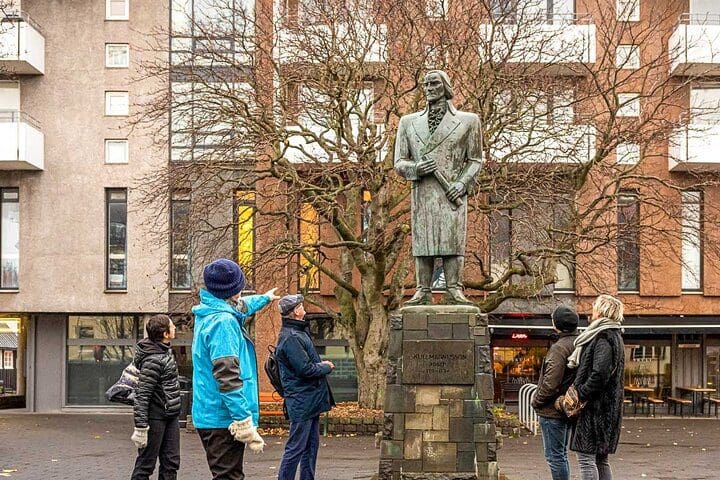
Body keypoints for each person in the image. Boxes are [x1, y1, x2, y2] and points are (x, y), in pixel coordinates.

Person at [394, 69, 484, 305]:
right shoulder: (408, 123)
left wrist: (462, 184)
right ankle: (422, 289)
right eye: (425, 84)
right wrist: (417, 169)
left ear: (445, 86)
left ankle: (453, 288)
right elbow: (399, 162)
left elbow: (475, 159)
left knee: (452, 240)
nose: (429, 88)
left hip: (451, 194)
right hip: (423, 193)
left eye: (434, 83)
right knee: (424, 241)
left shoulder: (469, 121)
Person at [192, 258, 281, 480]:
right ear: (233, 291)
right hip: (224, 418)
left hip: (212, 414)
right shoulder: (224, 322)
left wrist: (265, 298)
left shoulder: (209, 310)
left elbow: (243, 306)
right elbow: (227, 375)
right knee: (228, 477)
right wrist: (243, 421)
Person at [275, 294, 335, 480]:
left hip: (309, 400)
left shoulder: (298, 332)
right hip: (302, 400)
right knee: (296, 448)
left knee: (310, 446)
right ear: (295, 312)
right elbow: (305, 369)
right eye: (300, 305)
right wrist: (325, 366)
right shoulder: (291, 337)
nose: (304, 308)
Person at [567, 295, 625, 480]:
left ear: (602, 311)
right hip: (605, 409)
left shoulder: (604, 338)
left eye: (595, 307)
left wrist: (581, 394)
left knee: (586, 458)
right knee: (600, 459)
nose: (592, 310)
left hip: (595, 410)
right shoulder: (613, 336)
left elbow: (599, 374)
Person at [130, 314, 181, 480]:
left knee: (171, 463)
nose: (175, 328)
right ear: (165, 334)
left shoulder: (164, 351)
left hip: (170, 416)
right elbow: (142, 395)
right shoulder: (152, 359)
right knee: (146, 465)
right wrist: (141, 428)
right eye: (172, 326)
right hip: (155, 418)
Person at [531, 305, 580, 480]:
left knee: (555, 457)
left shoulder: (559, 348)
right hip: (569, 406)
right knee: (561, 455)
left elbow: (550, 383)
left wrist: (536, 400)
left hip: (552, 410)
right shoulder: (580, 342)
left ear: (556, 325)